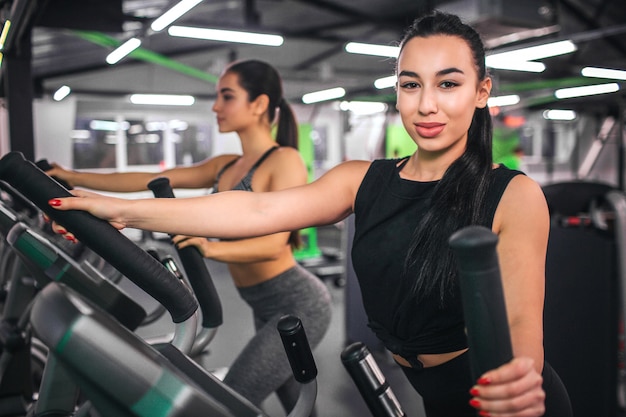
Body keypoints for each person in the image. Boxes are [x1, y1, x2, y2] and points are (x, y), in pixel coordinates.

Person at [47, 11, 572, 417]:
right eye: (411, 85)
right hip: (431, 395)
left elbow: (522, 319)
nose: (427, 104)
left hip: (504, 398)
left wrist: (519, 379)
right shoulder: (362, 179)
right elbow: (257, 208)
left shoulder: (514, 195)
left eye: (448, 84)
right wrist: (118, 210)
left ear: (482, 92)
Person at [45, 59, 333, 415]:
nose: (216, 106)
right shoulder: (226, 164)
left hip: (300, 303)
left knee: (231, 401)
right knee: (297, 405)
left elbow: (275, 245)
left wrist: (209, 247)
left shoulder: (284, 160)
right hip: (264, 305)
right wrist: (73, 178)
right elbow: (141, 181)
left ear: (259, 104)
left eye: (227, 96)